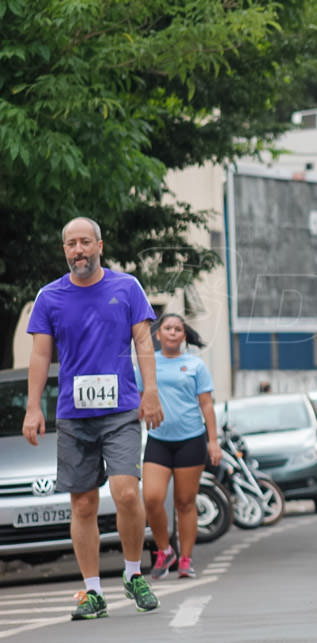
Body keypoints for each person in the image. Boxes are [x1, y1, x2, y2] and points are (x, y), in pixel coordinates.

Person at [22, 217, 163, 620]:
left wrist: (149, 390)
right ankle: (92, 591)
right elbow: (39, 355)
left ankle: (135, 573)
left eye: (85, 242)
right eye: (71, 244)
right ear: (64, 249)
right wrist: (33, 408)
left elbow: (142, 340)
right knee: (82, 504)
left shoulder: (127, 287)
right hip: (73, 414)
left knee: (126, 492)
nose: (78, 250)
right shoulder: (50, 297)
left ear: (100, 245)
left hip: (120, 408)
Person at [142, 313, 221, 581]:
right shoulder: (148, 364)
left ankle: (185, 559)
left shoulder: (195, 365)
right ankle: (165, 550)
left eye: (178, 329)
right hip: (158, 440)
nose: (173, 332)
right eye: (168, 328)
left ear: (184, 336)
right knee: (152, 498)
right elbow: (140, 400)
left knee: (185, 503)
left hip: (191, 439)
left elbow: (207, 405)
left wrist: (213, 442)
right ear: (158, 334)